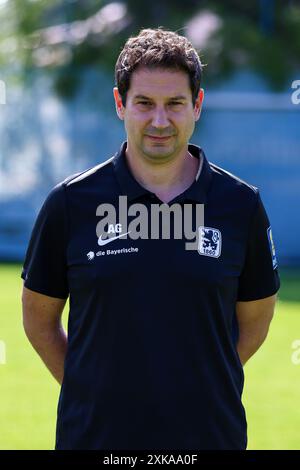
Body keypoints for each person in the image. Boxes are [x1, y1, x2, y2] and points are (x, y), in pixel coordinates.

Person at [21, 28, 280, 450]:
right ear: (120, 103)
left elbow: (257, 320)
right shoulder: (70, 204)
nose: (160, 121)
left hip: (209, 439)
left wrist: (203, 384)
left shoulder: (240, 206)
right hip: (95, 440)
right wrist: (91, 390)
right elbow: (38, 320)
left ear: (197, 105)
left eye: (175, 103)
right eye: (144, 103)